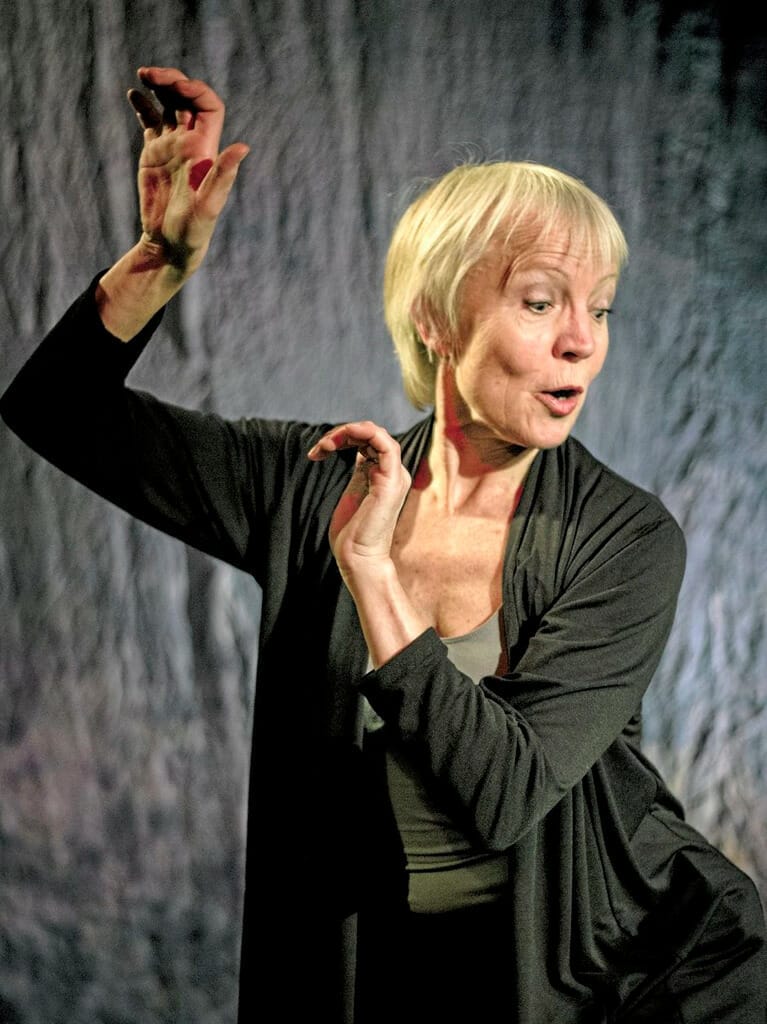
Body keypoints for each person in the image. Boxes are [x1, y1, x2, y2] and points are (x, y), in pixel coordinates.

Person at [2, 66, 765, 1024]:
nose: (582, 340)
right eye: (540, 302)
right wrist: (159, 259)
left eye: (599, 306)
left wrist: (371, 572)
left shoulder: (623, 537)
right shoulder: (307, 482)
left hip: (621, 986)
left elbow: (504, 794)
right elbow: (53, 410)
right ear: (435, 319)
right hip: (389, 982)